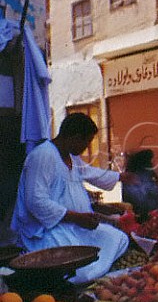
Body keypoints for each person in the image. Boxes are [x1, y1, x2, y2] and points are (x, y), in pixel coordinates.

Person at [11, 113, 135, 284]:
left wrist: (120, 177)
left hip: (76, 225)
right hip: (49, 230)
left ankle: (94, 272)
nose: (87, 147)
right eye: (87, 142)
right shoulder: (43, 155)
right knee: (80, 269)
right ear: (76, 138)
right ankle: (82, 277)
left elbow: (89, 172)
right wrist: (76, 217)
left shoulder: (71, 157)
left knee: (118, 239)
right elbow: (36, 201)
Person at [122, 149, 158, 223]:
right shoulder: (146, 175)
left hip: (140, 214)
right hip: (147, 216)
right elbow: (156, 195)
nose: (154, 162)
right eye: (152, 159)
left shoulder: (130, 173)